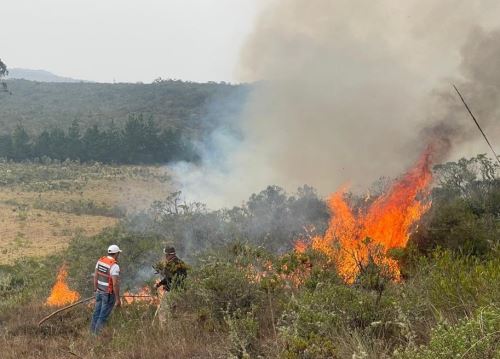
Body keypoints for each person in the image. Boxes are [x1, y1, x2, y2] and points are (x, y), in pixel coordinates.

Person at [90, 244, 122, 334]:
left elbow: (95, 276)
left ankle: (92, 334)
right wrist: (118, 299)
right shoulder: (114, 266)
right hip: (108, 294)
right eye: (118, 254)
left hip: (99, 291)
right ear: (116, 254)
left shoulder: (100, 261)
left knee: (96, 314)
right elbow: (115, 284)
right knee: (102, 317)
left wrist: (95, 290)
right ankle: (96, 337)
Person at [152, 246, 188, 326]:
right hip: (181, 291)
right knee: (176, 313)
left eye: (165, 255)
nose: (165, 257)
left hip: (171, 291)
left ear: (168, 255)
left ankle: (165, 331)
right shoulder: (181, 263)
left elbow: (168, 278)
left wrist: (159, 284)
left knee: (163, 311)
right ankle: (177, 330)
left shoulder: (170, 264)